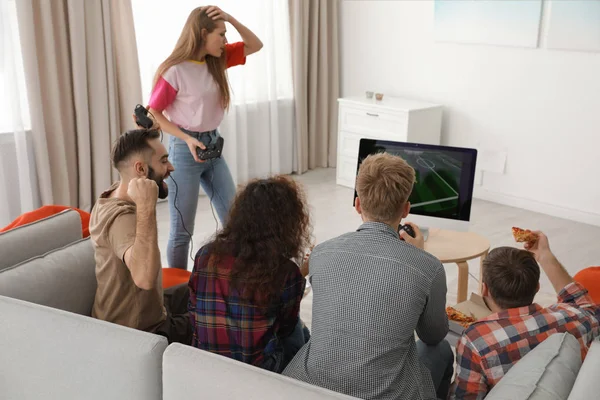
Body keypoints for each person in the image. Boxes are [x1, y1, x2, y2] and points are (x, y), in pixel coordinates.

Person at [283, 153, 453, 400]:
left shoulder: (321, 254)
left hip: (311, 386)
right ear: (406, 209)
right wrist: (419, 257)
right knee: (442, 350)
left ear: (358, 205)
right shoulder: (429, 268)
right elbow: (433, 335)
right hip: (389, 394)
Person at [147, 5, 263, 270]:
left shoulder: (218, 58)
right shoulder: (175, 70)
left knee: (236, 221)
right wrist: (186, 138)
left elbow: (255, 44)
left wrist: (230, 19)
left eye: (225, 34)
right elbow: (154, 112)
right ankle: (176, 295)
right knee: (182, 231)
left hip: (213, 148)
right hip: (183, 152)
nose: (224, 40)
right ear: (202, 34)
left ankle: (242, 279)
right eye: (220, 34)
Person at [450, 232, 600, 399]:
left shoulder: (476, 341)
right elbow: (584, 303)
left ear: (484, 289)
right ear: (537, 287)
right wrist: (544, 254)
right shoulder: (579, 318)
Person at [188, 176, 311, 373]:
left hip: (206, 361)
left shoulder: (205, 255)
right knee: (300, 330)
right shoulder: (285, 272)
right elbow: (286, 326)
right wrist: (302, 272)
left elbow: (193, 309)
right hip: (257, 371)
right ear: (288, 224)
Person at [89, 129, 191, 345]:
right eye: (164, 161)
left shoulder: (114, 193)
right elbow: (144, 279)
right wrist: (146, 206)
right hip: (139, 334)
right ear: (141, 169)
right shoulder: (120, 219)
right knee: (221, 318)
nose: (171, 167)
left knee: (204, 285)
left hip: (151, 310)